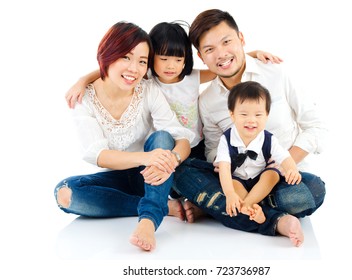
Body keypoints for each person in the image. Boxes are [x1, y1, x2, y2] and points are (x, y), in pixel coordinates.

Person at [172, 9, 327, 247]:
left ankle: (215, 206)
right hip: (235, 179)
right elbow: (213, 150)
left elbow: (315, 126)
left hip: (283, 178)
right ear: (201, 57)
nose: (221, 54)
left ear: (241, 39)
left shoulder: (275, 72)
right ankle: (273, 220)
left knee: (312, 191)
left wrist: (282, 164)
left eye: (227, 42)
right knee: (180, 172)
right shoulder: (208, 100)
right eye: (210, 49)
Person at [54, 21, 194, 251]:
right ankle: (164, 206)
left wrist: (173, 158)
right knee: (65, 193)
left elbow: (181, 139)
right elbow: (97, 155)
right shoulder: (84, 98)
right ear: (108, 55)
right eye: (126, 57)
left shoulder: (148, 90)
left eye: (142, 61)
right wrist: (146, 158)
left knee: (162, 139)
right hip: (122, 176)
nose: (134, 68)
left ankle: (148, 220)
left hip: (154, 175)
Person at [216, 81, 301, 229]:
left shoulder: (269, 139)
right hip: (239, 179)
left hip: (261, 178)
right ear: (232, 115)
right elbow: (224, 168)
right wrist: (229, 194)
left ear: (267, 115)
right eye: (243, 114)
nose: (251, 120)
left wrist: (292, 170)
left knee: (273, 174)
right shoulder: (226, 139)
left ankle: (248, 206)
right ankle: (255, 212)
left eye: (258, 114)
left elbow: (284, 157)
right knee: (232, 183)